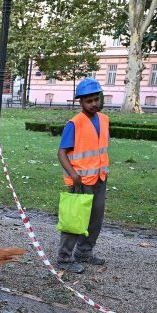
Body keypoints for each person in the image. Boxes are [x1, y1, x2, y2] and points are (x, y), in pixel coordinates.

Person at [56, 78, 110, 274]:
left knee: (95, 219)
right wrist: (73, 175)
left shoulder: (104, 120)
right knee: (74, 219)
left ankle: (84, 252)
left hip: (99, 177)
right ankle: (64, 257)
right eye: (89, 101)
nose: (94, 104)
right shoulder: (74, 123)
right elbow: (61, 152)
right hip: (80, 180)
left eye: (96, 99)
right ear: (81, 102)